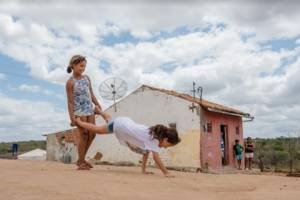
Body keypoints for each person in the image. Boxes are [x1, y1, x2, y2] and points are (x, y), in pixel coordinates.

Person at [74, 111, 181, 177]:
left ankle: (99, 111)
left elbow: (146, 153)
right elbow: (156, 158)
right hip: (121, 126)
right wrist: (166, 173)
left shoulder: (153, 133)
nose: (166, 148)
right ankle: (78, 122)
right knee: (98, 130)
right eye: (168, 146)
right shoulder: (154, 140)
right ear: (166, 139)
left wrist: (143, 171)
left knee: (110, 121)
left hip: (124, 121)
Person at [66, 55, 102, 170]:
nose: (83, 68)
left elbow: (90, 93)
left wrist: (97, 104)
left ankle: (81, 159)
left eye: (84, 66)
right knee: (84, 136)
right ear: (73, 65)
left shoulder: (86, 78)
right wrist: (72, 118)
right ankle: (81, 162)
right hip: (79, 112)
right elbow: (70, 102)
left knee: (93, 134)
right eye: (81, 66)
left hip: (89, 110)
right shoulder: (70, 82)